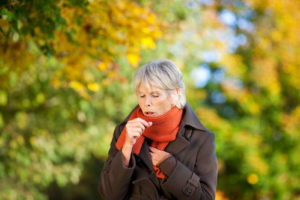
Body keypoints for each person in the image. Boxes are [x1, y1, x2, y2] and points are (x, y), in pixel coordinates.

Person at [98, 59, 218, 200]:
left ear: (175, 93)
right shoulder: (124, 131)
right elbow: (109, 195)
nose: (146, 103)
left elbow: (206, 198)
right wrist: (127, 148)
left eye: (155, 95)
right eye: (141, 95)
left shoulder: (201, 138)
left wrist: (171, 167)